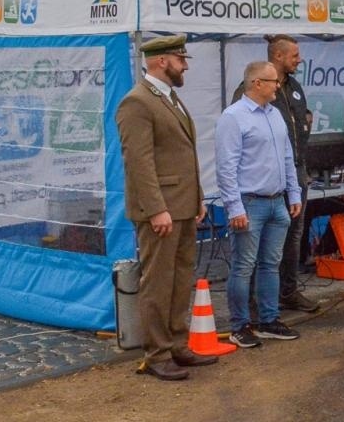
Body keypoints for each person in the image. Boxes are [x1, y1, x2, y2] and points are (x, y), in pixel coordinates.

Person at [114, 35, 214, 381]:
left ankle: (176, 345)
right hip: (162, 210)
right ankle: (156, 354)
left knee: (180, 278)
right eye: (180, 58)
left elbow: (184, 155)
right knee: (158, 283)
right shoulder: (137, 102)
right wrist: (157, 209)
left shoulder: (170, 98)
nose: (185, 64)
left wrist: (197, 197)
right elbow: (139, 163)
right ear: (161, 61)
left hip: (183, 206)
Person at [216, 61, 306, 348]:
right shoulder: (234, 117)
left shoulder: (275, 114)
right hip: (249, 202)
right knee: (244, 266)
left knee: (270, 264)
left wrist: (293, 193)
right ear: (256, 84)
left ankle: (268, 320)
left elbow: (287, 158)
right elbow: (225, 167)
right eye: (272, 82)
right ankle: (239, 325)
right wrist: (234, 207)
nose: (277, 86)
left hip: (277, 202)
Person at [262, 35, 319, 313]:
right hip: (272, 176)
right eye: (295, 55)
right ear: (279, 56)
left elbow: (302, 116)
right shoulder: (255, 86)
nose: (300, 59)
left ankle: (289, 291)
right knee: (269, 237)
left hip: (298, 170)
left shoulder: (294, 86)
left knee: (295, 234)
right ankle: (261, 299)